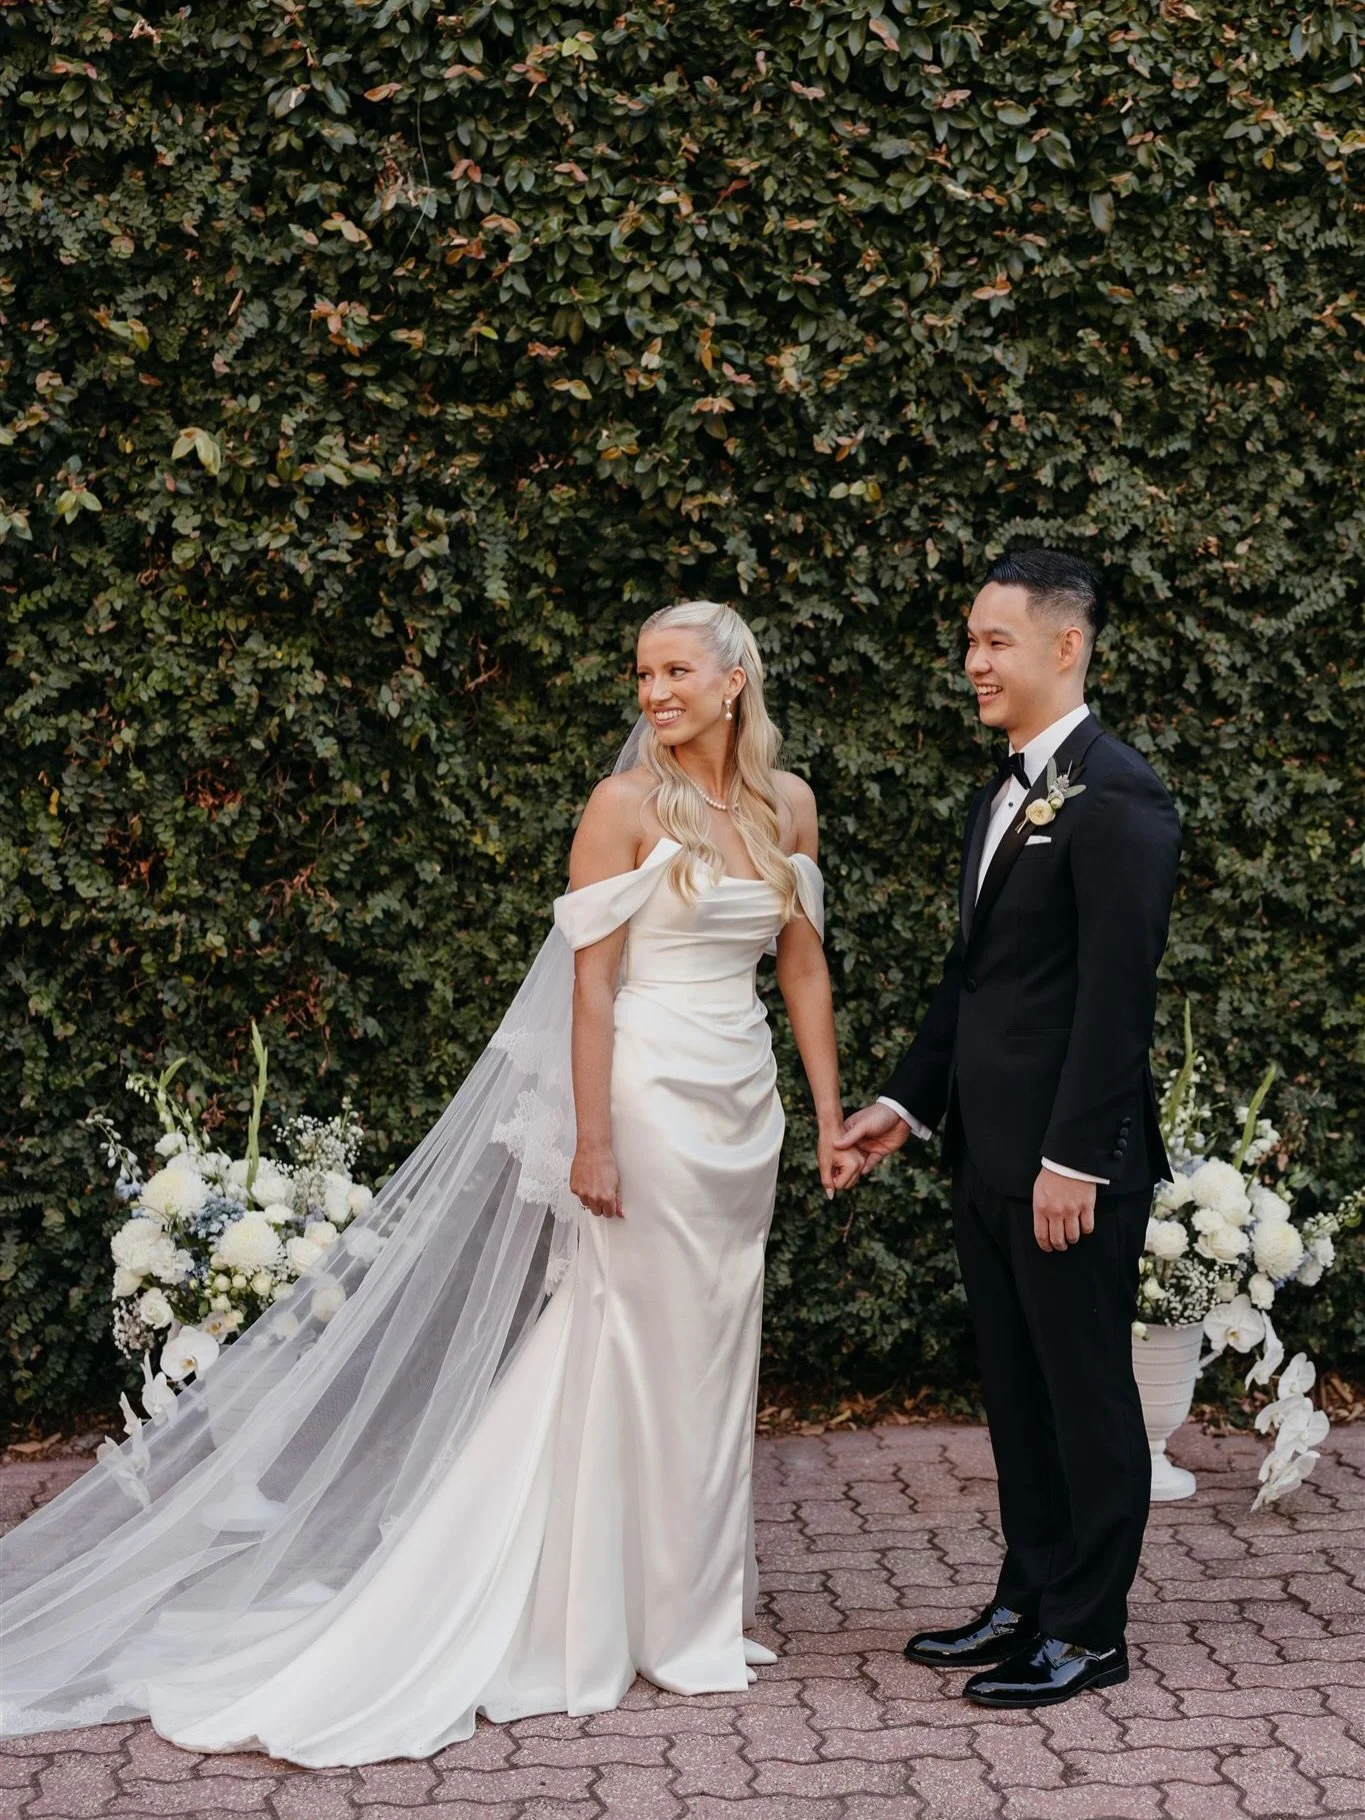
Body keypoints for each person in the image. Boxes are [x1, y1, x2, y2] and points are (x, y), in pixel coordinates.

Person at [0, 600, 861, 1766]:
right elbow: (593, 989)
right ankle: (593, 1618)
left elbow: (802, 966)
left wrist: (825, 1113)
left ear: (733, 680)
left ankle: (694, 1615)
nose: (653, 693)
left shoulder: (788, 803)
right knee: (629, 1347)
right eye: (641, 673)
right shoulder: (619, 809)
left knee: (717, 1353)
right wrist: (591, 1137)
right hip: (650, 1098)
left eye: (673, 672)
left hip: (743, 1104)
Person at [837, 550, 1182, 1710]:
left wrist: (1075, 1156)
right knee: (1017, 1390)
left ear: (1065, 646)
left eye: (994, 642)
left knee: (1084, 1394)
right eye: (972, 641)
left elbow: (1116, 996)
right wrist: (901, 1104)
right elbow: (975, 980)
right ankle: (1027, 1596)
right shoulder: (1004, 790)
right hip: (983, 1147)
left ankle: (1089, 1630)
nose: (973, 662)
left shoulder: (1119, 792)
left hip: (1064, 1166)